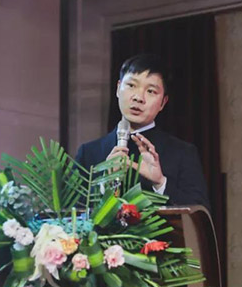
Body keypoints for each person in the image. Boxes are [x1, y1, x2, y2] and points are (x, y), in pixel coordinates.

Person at [75, 54, 211, 210]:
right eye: (131, 85)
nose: (138, 98)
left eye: (151, 91)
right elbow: (67, 215)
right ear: (118, 88)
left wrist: (161, 183)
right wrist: (104, 185)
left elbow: (200, 214)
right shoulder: (88, 153)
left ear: (163, 103)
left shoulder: (183, 153)